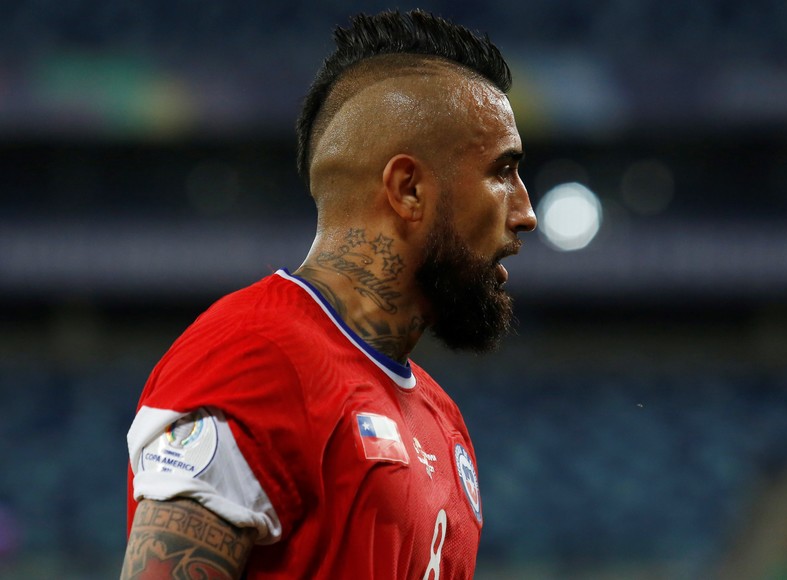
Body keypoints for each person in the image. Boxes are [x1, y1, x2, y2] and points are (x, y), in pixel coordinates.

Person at [121, 9, 536, 579]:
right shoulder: (256, 360)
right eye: (502, 171)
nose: (526, 212)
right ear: (408, 188)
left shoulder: (443, 421)